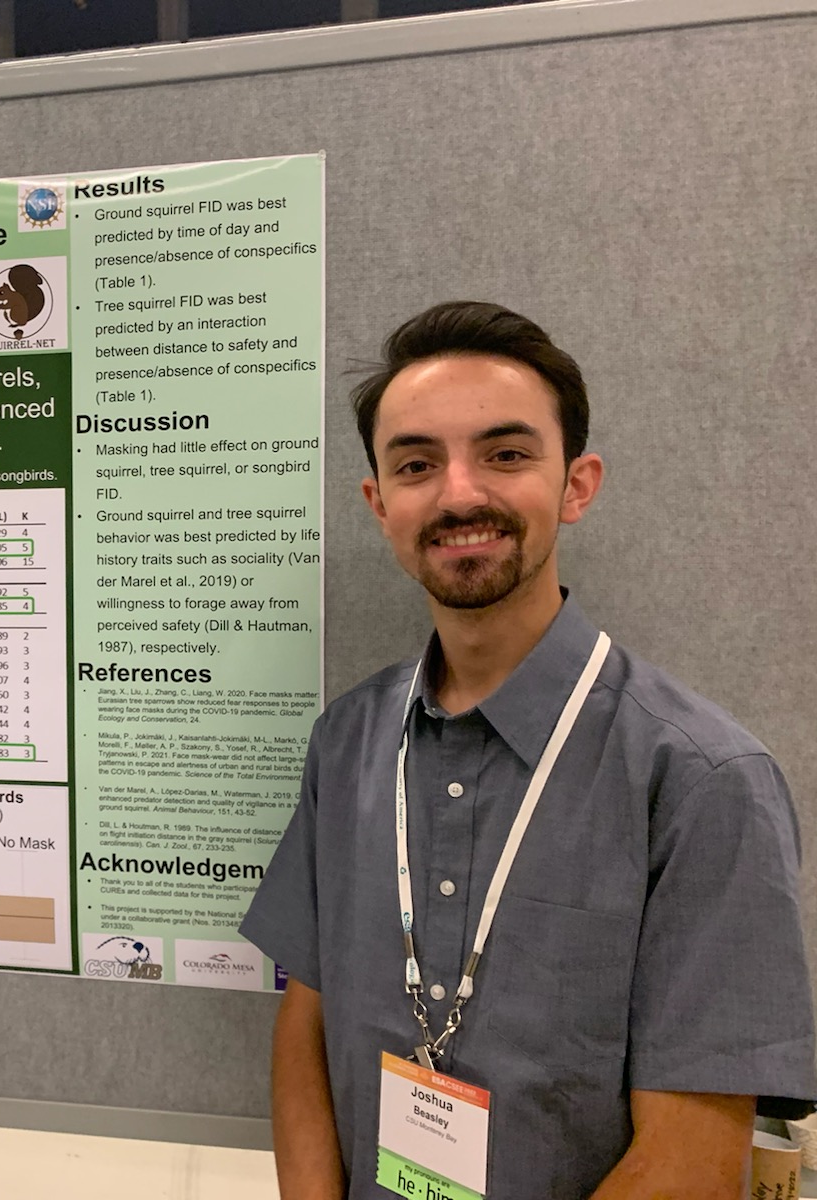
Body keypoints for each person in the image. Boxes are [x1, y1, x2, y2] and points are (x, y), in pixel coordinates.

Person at [240, 301, 815, 1199]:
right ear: (380, 503)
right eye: (417, 464)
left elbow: (695, 1160)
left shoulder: (702, 783)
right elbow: (303, 1029)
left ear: (576, 485)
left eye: (506, 455)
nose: (460, 493)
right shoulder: (348, 742)